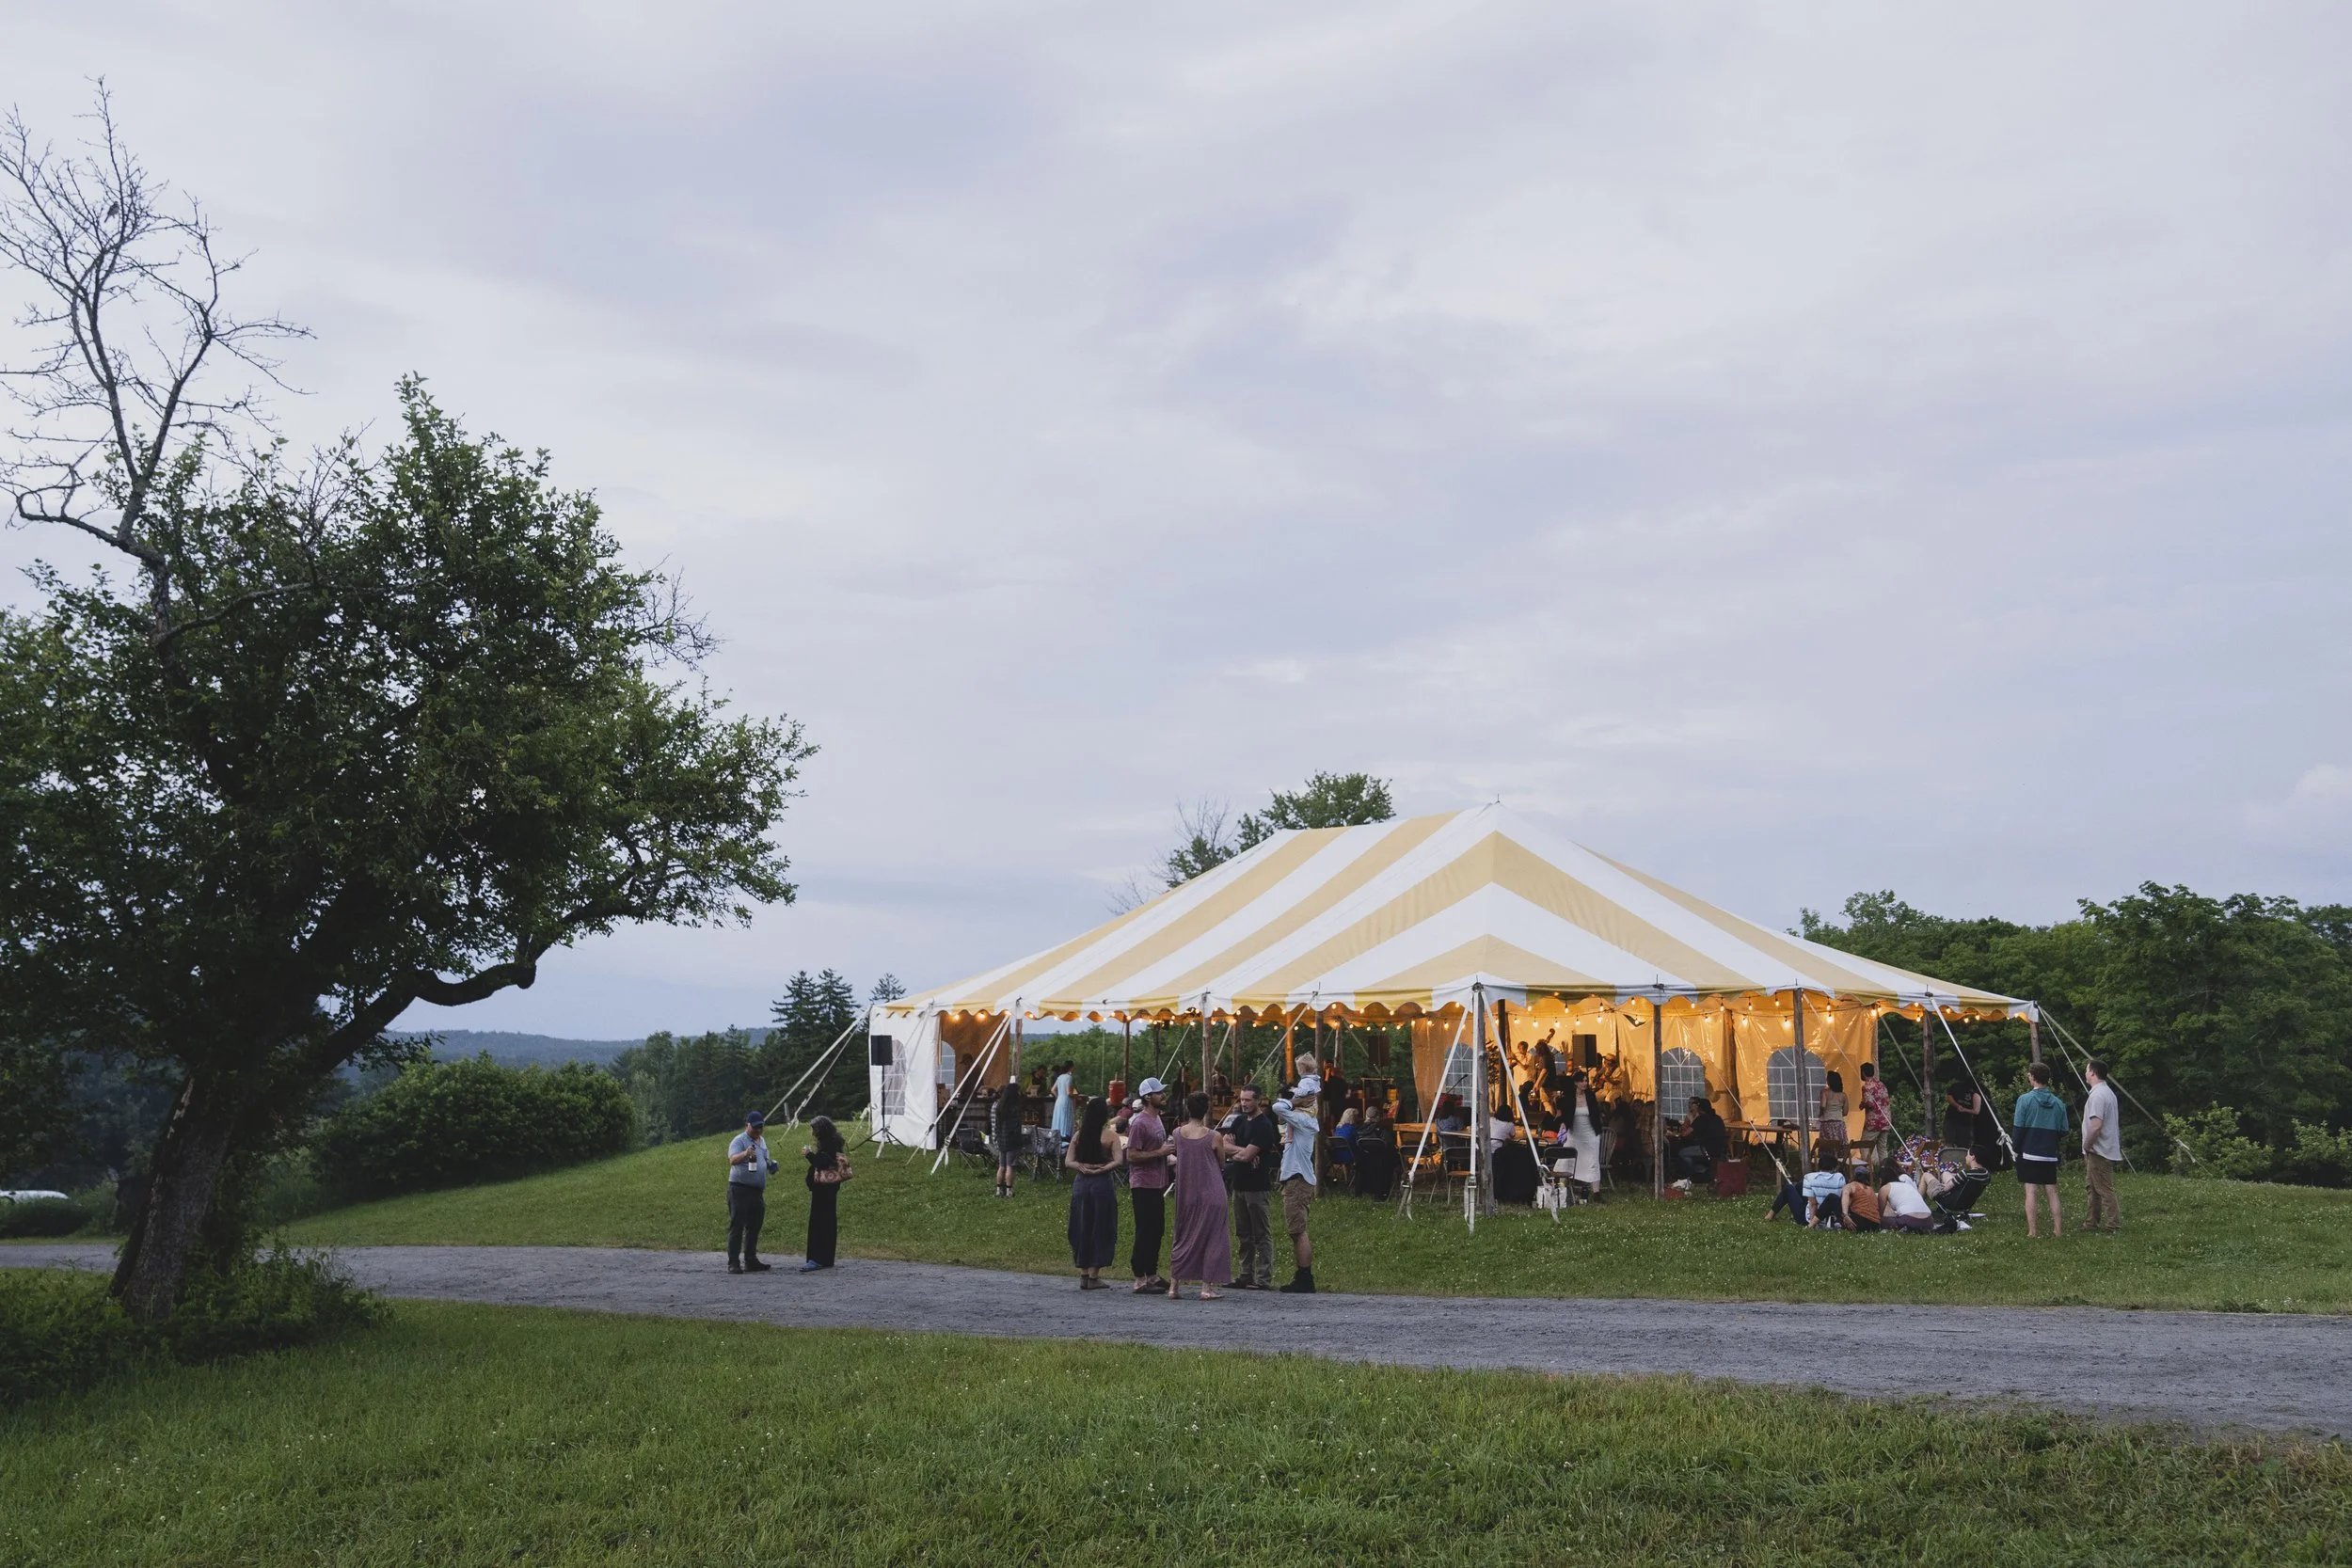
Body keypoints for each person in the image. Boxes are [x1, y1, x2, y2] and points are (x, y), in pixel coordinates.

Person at [1166, 1091, 1233, 1299]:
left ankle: (1174, 1285)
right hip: (1211, 1190)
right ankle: (1206, 1287)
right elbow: (1221, 1162)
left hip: (1187, 1191)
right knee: (1214, 1237)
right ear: (1206, 1111)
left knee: (1183, 1235)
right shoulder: (1214, 1136)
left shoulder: (1178, 1133)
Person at [1222, 1083, 1278, 1289]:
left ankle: (1263, 1278)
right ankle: (1245, 1274)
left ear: (1258, 1101)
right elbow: (1223, 1144)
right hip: (1239, 1183)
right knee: (1243, 1232)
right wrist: (1242, 1150)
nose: (1243, 1103)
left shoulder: (1263, 1125)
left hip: (1257, 1185)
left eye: (1247, 1100)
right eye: (1242, 1099)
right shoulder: (1239, 1121)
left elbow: (1246, 1156)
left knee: (1260, 1232)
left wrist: (1240, 1152)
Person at [1064, 1095, 1121, 1290]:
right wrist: (1103, 1168)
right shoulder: (1110, 1136)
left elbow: (1068, 1161)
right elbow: (1118, 1160)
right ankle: (1094, 1275)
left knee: (1082, 1224)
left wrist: (1081, 1166)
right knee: (1101, 1225)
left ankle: (1083, 1272)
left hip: (1082, 1182)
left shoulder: (1079, 1135)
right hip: (1101, 1183)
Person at [1272, 1074, 1322, 1292]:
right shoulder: (1302, 1122)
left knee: (1298, 1231)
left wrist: (1295, 1102)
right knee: (1296, 1231)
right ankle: (1302, 1275)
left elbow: (1278, 1108)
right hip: (1296, 1178)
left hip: (1297, 1180)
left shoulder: (1303, 1121)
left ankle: (1305, 1277)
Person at [1125, 1078, 1172, 1292]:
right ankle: (1139, 1276)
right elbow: (1132, 1155)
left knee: (1157, 1229)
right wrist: (1159, 1153)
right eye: (1159, 1093)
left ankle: (1152, 1273)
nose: (1163, 1096)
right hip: (1143, 1183)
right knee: (1145, 1229)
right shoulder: (1139, 1123)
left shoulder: (1157, 1119)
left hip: (1157, 1182)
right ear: (1147, 1097)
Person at [2012, 1061, 2069, 1238]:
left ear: (2033, 1077)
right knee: (2052, 1192)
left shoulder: (2025, 1100)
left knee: (2031, 1191)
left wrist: (2016, 1148)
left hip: (2029, 1152)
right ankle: (2058, 1230)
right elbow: (2064, 1130)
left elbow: (2018, 1127)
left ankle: (2033, 1231)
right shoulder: (2059, 1103)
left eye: (2029, 1074)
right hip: (2049, 1154)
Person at [725, 1109, 778, 1274]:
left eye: (760, 1127)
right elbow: (732, 1160)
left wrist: (770, 1165)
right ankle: (733, 1262)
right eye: (755, 1127)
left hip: (756, 1191)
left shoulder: (762, 1141)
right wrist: (745, 1153)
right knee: (737, 1226)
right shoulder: (739, 1140)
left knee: (754, 1226)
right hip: (740, 1188)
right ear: (747, 1125)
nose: (758, 1130)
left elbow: (763, 1159)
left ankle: (751, 1260)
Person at [802, 1116, 850, 1271]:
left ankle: (817, 1257)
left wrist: (809, 1154)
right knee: (828, 1220)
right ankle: (826, 1257)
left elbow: (823, 1162)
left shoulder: (827, 1144)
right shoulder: (834, 1141)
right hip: (831, 1187)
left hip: (823, 1188)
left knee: (819, 1221)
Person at [2083, 1058, 2122, 1234]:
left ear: (2093, 1072)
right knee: (2093, 1187)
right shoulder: (2106, 1092)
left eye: (2087, 1070)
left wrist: (2087, 1144)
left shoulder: (2099, 1095)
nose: (2085, 1073)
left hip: (2099, 1149)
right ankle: (2091, 1222)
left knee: (2104, 1188)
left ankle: (2113, 1224)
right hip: (2100, 1148)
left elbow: (2096, 1125)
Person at [1675, 1096, 1728, 1183]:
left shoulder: (1701, 1119)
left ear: (1700, 1109)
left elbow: (1685, 1134)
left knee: (1682, 1153)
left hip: (1706, 1149)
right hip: (1720, 1149)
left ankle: (1692, 1175)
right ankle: (1701, 1170)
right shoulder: (1718, 1118)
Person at [1879, 1164, 1938, 1233]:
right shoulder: (1907, 1186)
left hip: (1909, 1221)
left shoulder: (1885, 1188)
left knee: (1884, 1221)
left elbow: (1880, 1213)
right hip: (1929, 1221)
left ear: (1880, 1180)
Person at [991, 1081, 1024, 1199]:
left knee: (1002, 1165)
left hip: (1001, 1139)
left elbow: (996, 1125)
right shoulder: (1014, 1108)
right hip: (1012, 1140)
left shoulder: (998, 1107)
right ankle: (1009, 1190)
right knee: (1010, 1166)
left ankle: (999, 1190)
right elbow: (1016, 1126)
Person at [1801, 1146, 1847, 1228]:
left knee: (1790, 1189)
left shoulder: (1809, 1177)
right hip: (1832, 1217)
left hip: (1814, 1217)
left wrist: (1813, 1223)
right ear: (1834, 1168)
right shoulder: (1840, 1178)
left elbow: (1813, 1204)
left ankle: (1770, 1216)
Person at [1857, 1061, 1893, 1162]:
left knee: (1865, 1145)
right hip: (1885, 1120)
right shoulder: (1881, 1085)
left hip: (1874, 1122)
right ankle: (1884, 1169)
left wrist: (1862, 1104)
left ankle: (1869, 1169)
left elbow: (1870, 1103)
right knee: (1882, 1148)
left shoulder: (1867, 1086)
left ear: (1863, 1073)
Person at [1817, 1071, 1850, 1161]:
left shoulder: (1824, 1092)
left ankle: (1826, 1164)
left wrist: (1820, 1114)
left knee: (1827, 1146)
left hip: (1827, 1123)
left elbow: (1823, 1106)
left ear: (1829, 1081)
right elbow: (1845, 1112)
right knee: (1840, 1146)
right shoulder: (1843, 1095)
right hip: (1839, 1124)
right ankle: (1840, 1165)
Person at [1943, 1082, 1982, 1153]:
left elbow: (1976, 1111)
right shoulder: (1957, 1086)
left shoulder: (1976, 1092)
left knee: (1964, 1145)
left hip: (1965, 1123)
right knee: (1949, 1141)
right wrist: (1957, 1105)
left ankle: (1962, 1161)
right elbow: (1949, 1097)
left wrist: (1964, 1109)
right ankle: (1948, 1160)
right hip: (1951, 1119)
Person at [1841, 1166, 1883, 1231]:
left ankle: (1834, 1223)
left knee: (1832, 1197)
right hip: (1875, 1225)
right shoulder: (1871, 1189)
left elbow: (1845, 1194)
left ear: (1854, 1175)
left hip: (1859, 1223)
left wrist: (1845, 1215)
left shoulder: (1851, 1185)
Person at [1051, 1061, 1077, 1144]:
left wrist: (1058, 1096)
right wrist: (1077, 1097)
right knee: (1066, 1119)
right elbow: (1069, 1093)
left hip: (1059, 1100)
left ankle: (1056, 1137)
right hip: (1066, 1101)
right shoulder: (1069, 1077)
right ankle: (1065, 1138)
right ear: (1070, 1068)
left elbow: (1052, 1089)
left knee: (1059, 1118)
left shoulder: (1060, 1077)